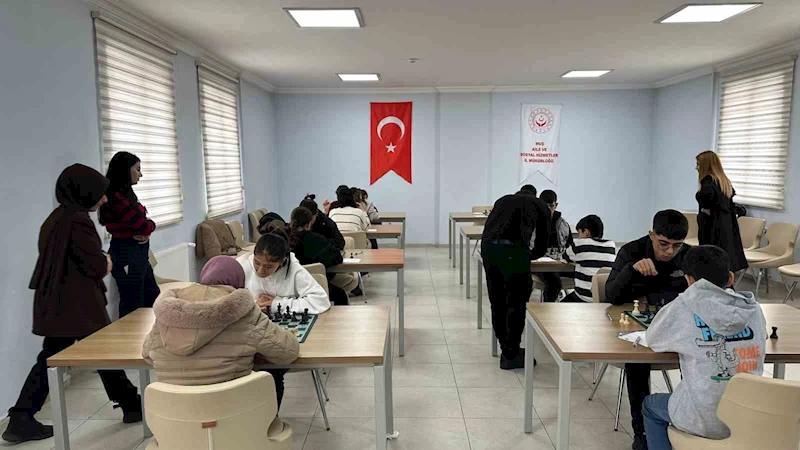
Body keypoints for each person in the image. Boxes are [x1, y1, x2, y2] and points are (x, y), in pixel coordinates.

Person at [3, 165, 142, 444]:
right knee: (97, 353)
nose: (104, 199)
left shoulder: (56, 218)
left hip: (60, 303)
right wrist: (106, 260)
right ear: (84, 192)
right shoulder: (78, 221)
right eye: (100, 194)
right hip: (77, 305)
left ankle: (21, 418)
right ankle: (131, 404)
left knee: (66, 356)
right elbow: (94, 264)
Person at [642, 245, 765, 450]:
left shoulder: (684, 305)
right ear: (731, 278)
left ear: (689, 280)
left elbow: (653, 339)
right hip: (748, 417)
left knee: (650, 406)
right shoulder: (753, 308)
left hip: (701, 418)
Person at [142, 256, 300, 409]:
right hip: (234, 417)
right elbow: (288, 352)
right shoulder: (245, 312)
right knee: (273, 372)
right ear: (239, 282)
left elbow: (147, 354)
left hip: (175, 419)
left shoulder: (167, 313)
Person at [606, 210, 690, 450]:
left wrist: (651, 297)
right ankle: (641, 432)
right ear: (651, 235)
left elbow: (696, 291)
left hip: (676, 328)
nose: (670, 251)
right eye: (663, 244)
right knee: (637, 361)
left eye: (676, 245)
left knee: (699, 353)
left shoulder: (688, 255)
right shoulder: (631, 251)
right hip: (635, 328)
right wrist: (631, 271)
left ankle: (689, 422)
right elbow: (611, 296)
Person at [481, 188, 551, 370]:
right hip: (513, 252)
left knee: (498, 302)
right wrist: (528, 256)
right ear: (534, 195)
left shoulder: (502, 200)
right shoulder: (540, 205)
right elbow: (542, 243)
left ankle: (506, 349)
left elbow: (489, 228)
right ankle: (511, 354)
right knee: (516, 303)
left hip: (488, 251)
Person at [98, 151, 159, 318]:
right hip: (126, 255)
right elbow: (141, 225)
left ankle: (150, 333)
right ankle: (132, 335)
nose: (141, 174)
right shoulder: (115, 197)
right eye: (137, 169)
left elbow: (142, 226)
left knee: (151, 295)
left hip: (137, 255)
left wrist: (147, 229)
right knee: (133, 304)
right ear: (125, 170)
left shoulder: (126, 194)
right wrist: (149, 227)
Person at [237, 229, 331, 315]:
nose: (260, 271)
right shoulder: (242, 266)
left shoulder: (295, 271)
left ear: (281, 262)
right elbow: (229, 298)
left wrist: (278, 304)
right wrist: (253, 304)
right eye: (257, 262)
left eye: (268, 266)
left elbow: (321, 301)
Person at [281, 207, 349, 305]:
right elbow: (337, 257)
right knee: (340, 295)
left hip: (287, 287)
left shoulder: (282, 239)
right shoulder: (317, 240)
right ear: (309, 224)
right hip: (314, 285)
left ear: (290, 221)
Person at [695, 151, 748, 273]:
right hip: (726, 226)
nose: (696, 167)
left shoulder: (708, 181)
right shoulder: (724, 181)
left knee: (710, 260)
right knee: (723, 258)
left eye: (698, 164)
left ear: (706, 165)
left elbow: (706, 201)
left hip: (712, 228)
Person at [561, 215, 617, 302]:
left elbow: (565, 256)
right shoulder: (611, 245)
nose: (579, 237)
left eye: (579, 233)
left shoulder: (580, 244)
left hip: (584, 297)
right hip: (603, 298)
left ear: (586, 232)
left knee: (558, 306)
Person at [539, 190, 572, 302]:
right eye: (545, 206)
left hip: (560, 263)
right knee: (553, 282)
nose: (548, 209)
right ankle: (547, 309)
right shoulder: (534, 222)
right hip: (541, 265)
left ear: (556, 205)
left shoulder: (563, 224)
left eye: (551, 206)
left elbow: (570, 245)